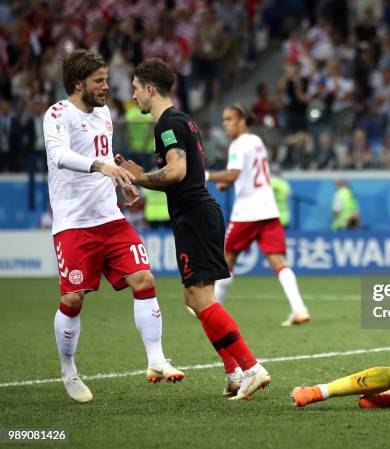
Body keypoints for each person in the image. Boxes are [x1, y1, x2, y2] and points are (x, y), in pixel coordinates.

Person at [115, 58, 269, 400]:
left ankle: (252, 367)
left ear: (150, 89)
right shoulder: (184, 121)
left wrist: (138, 176)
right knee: (196, 298)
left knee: (199, 298)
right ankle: (233, 372)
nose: (134, 95)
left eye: (137, 89)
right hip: (200, 212)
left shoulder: (167, 124)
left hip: (194, 215)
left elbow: (176, 172)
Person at [43, 50, 184, 403]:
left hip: (110, 219)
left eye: (107, 79)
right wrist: (101, 167)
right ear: (78, 84)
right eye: (99, 81)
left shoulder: (105, 114)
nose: (107, 87)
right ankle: (69, 370)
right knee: (73, 298)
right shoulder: (58, 113)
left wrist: (122, 181)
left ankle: (156, 360)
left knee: (145, 280)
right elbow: (59, 155)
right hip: (74, 224)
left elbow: (105, 161)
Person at [208, 103, 310, 327]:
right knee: (278, 262)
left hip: (246, 212)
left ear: (242, 121)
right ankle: (299, 308)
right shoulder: (257, 141)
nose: (225, 124)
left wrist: (207, 175)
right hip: (268, 209)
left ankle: (213, 311)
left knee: (228, 259)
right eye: (224, 120)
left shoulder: (237, 145)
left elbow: (235, 173)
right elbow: (248, 173)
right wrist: (227, 183)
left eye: (229, 120)